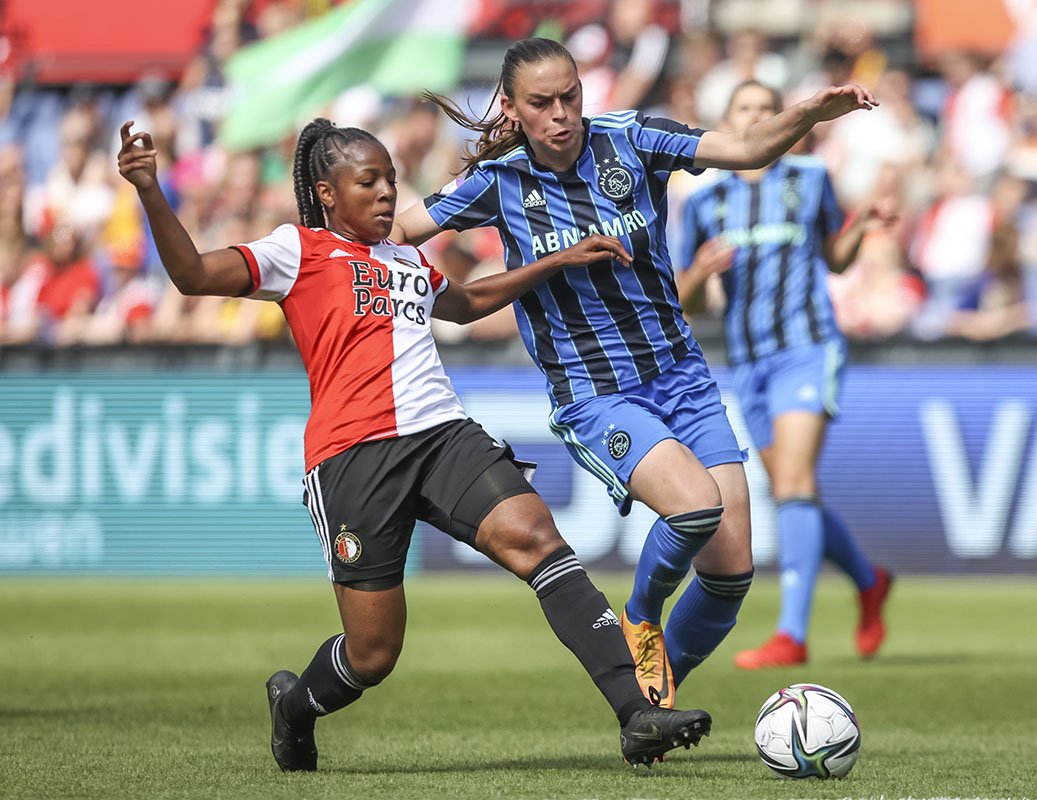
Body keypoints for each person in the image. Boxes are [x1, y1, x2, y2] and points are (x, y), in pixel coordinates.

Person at [115, 117, 712, 772]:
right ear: (326, 194)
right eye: (367, 181)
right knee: (373, 654)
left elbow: (470, 300)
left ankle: (637, 714)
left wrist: (555, 262)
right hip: (354, 458)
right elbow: (194, 274)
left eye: (391, 181)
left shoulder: (407, 259)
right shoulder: (298, 251)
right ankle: (296, 706)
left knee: (539, 539)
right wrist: (149, 189)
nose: (385, 194)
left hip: (442, 435)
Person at [390, 38, 877, 706]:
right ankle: (642, 614)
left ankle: (650, 704)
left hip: (683, 377)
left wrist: (808, 113)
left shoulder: (634, 137)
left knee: (731, 572)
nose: (561, 113)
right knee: (697, 507)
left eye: (570, 96)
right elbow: (390, 236)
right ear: (512, 107)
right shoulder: (494, 181)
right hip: (597, 394)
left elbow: (745, 149)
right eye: (542, 103)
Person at [674, 81, 893, 669]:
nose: (756, 117)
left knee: (794, 484)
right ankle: (869, 581)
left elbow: (834, 258)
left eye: (765, 109)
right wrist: (699, 270)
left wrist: (864, 222)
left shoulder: (810, 180)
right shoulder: (703, 202)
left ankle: (791, 635)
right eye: (743, 109)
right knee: (795, 493)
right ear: (726, 122)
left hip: (807, 348)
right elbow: (685, 301)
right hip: (748, 362)